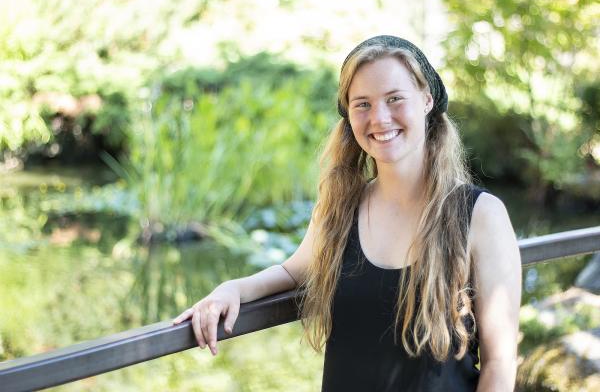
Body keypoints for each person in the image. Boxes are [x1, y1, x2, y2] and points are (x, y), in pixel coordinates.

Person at [173, 35, 522, 391]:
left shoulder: (481, 215)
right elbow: (294, 271)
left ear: (427, 99)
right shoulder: (341, 208)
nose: (380, 118)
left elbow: (500, 362)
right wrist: (231, 290)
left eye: (394, 98)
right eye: (363, 104)